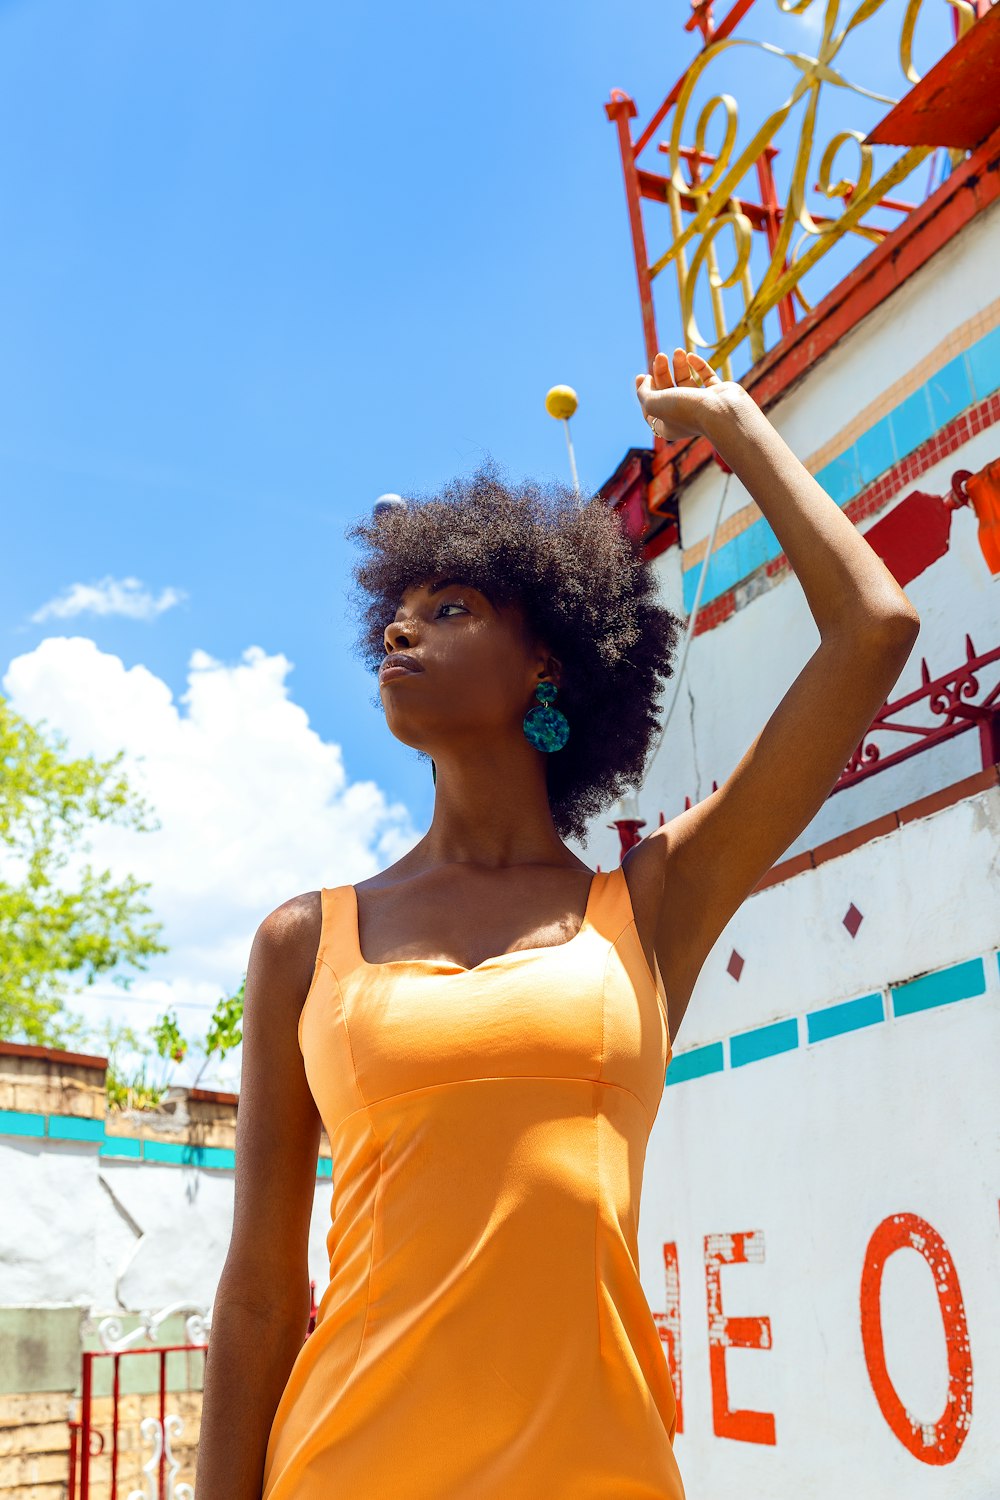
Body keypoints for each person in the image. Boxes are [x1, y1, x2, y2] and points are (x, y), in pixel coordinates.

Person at [194, 349, 920, 1499]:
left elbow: (874, 629)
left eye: (449, 608)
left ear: (546, 661)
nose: (396, 634)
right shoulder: (303, 942)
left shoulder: (645, 907)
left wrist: (736, 430)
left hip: (599, 1473)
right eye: (392, 613)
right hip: (342, 1467)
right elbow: (259, 1296)